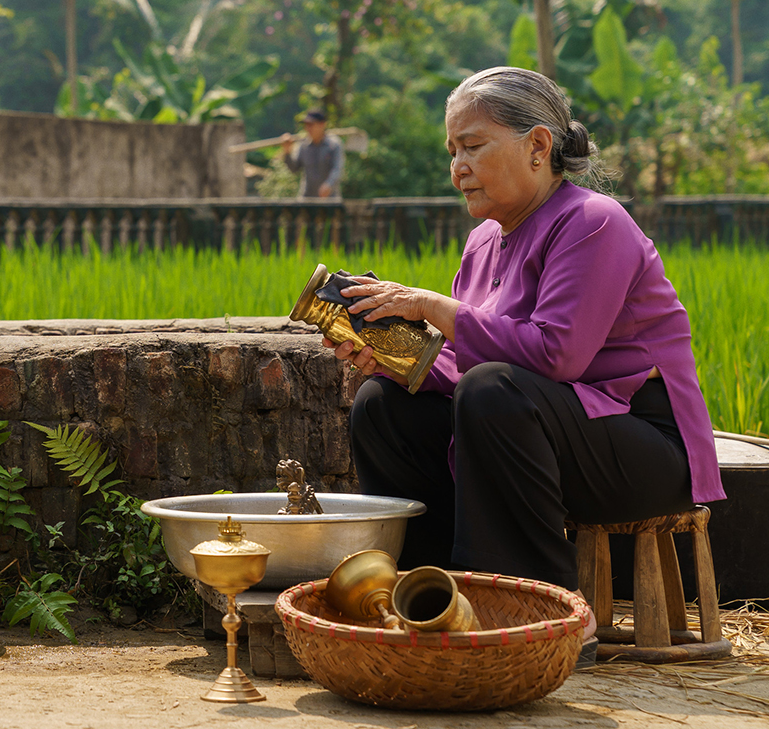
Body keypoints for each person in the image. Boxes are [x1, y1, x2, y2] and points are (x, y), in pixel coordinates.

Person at [327, 66, 723, 592]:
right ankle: (432, 590)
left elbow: (555, 357)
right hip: (535, 428)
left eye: (473, 146)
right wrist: (399, 361)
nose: (457, 168)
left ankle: (529, 607)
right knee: (383, 405)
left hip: (641, 446)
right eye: (452, 151)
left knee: (494, 389)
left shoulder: (592, 221)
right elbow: (469, 361)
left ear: (537, 146)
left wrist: (428, 305)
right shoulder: (483, 241)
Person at [280, 109, 344, 198]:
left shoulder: (333, 145)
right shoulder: (303, 146)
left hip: (329, 199)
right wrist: (287, 151)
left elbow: (337, 169)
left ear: (322, 124)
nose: (308, 128)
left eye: (311, 125)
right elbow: (294, 169)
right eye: (306, 125)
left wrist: (329, 184)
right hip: (307, 198)